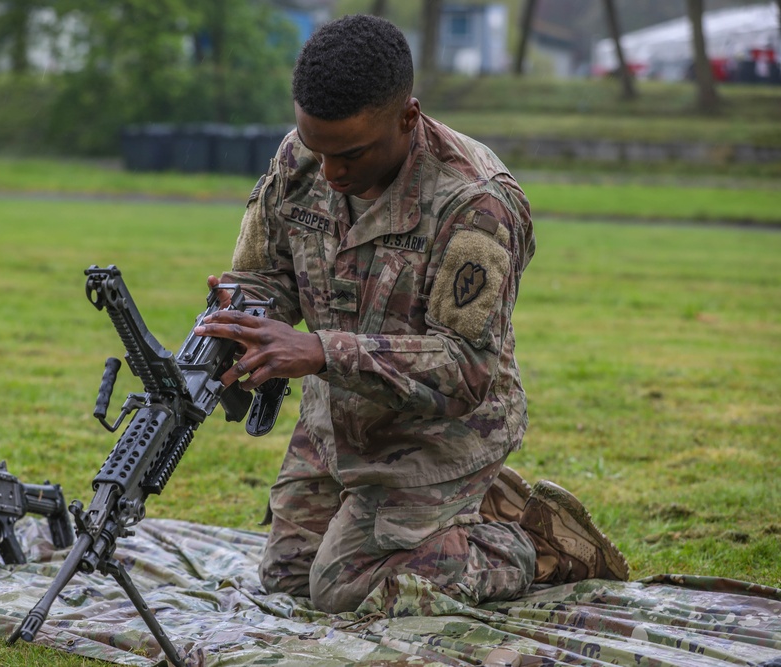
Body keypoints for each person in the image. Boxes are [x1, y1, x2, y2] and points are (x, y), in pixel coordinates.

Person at [193, 14, 628, 614]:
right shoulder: (304, 157)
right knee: (290, 579)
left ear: (408, 116)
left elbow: (466, 368)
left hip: (443, 433)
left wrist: (321, 350)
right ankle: (453, 517)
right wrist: (239, 321)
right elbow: (267, 273)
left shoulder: (475, 204)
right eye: (316, 148)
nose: (330, 173)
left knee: (346, 589)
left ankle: (525, 540)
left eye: (349, 154)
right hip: (338, 422)